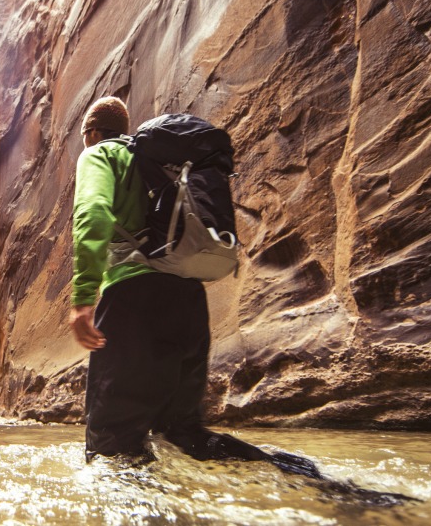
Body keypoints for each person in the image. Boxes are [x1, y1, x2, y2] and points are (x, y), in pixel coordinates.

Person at [70, 96, 320, 476]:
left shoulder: (99, 156)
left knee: (111, 444)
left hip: (133, 301)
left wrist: (83, 298)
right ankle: (310, 478)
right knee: (182, 436)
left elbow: (93, 214)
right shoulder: (159, 162)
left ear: (91, 132)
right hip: (189, 300)